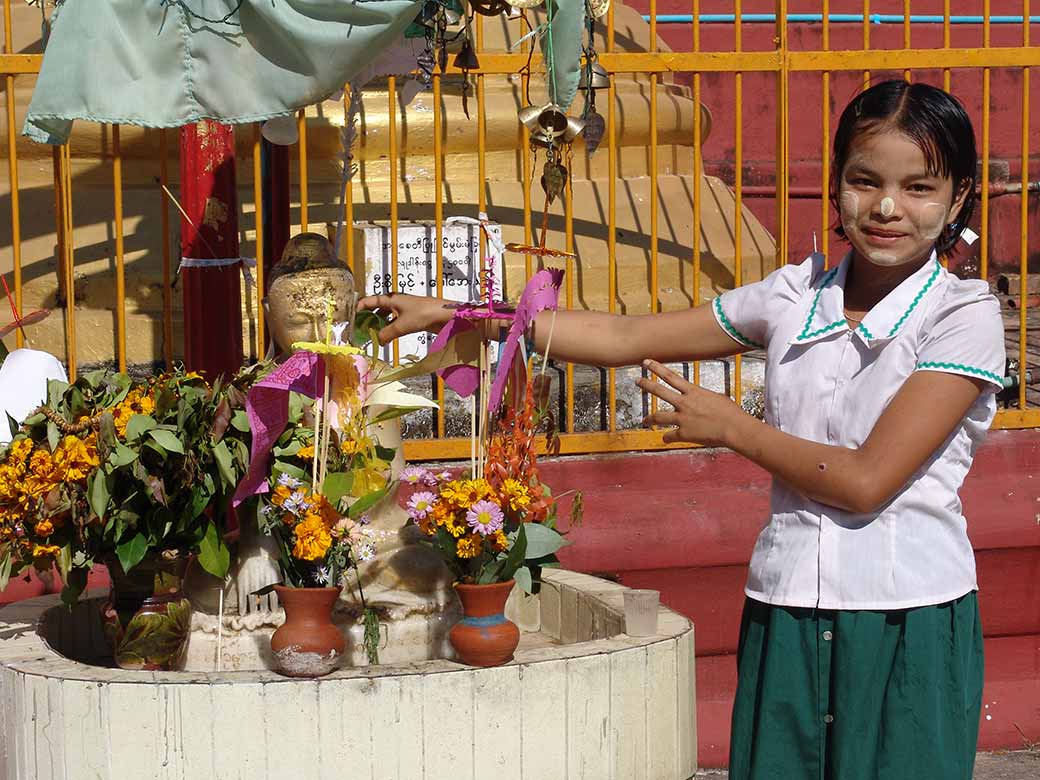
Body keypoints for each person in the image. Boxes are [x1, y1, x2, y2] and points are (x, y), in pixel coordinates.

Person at [358, 80, 1003, 780]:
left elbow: (866, 480)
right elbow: (628, 332)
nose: (885, 207)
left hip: (906, 614)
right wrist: (464, 315)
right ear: (837, 182)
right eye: (864, 180)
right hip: (786, 605)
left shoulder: (962, 317)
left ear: (959, 198)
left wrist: (732, 427)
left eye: (919, 188)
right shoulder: (797, 294)